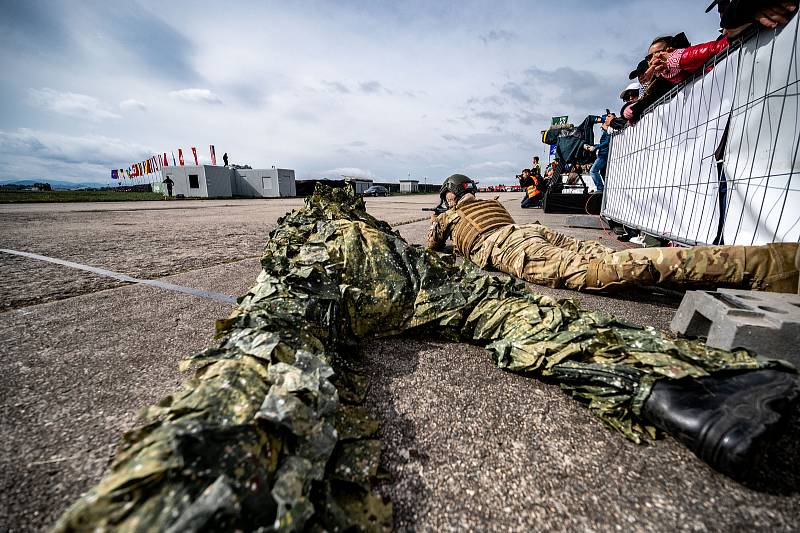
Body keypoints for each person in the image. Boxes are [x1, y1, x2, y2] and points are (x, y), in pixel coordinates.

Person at [428, 174, 800, 294]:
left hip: (507, 243)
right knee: (601, 257)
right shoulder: (491, 205)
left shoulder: (454, 213)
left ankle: (762, 265)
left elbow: (432, 244)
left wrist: (443, 216)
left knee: (608, 270)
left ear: (451, 194)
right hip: (526, 231)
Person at [585, 114, 614, 192]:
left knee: (593, 171)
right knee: (603, 172)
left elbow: (607, 142)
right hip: (603, 154)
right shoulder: (606, 131)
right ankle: (607, 188)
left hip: (603, 155)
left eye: (602, 123)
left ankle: (600, 188)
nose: (601, 126)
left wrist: (595, 147)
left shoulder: (608, 131)